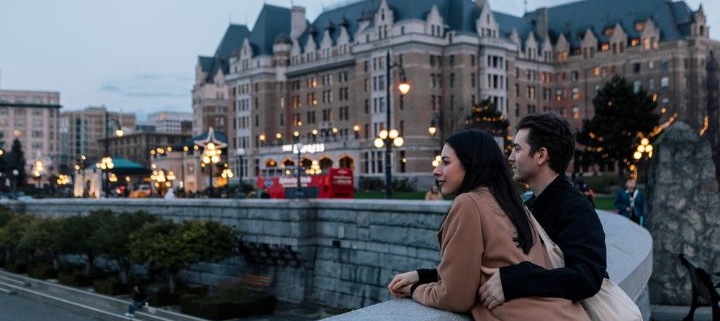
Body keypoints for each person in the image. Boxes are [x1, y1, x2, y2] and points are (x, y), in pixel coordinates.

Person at [387, 129, 589, 320]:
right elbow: (492, 264)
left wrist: (415, 290)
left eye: (446, 162)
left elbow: (456, 297)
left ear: (471, 164)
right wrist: (425, 275)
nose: (436, 170)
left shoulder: (468, 203)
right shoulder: (510, 202)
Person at [478, 113, 607, 309]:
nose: (511, 158)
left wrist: (515, 281)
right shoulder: (531, 204)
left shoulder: (575, 208)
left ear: (541, 155)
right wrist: (426, 276)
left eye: (517, 149)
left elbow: (587, 276)